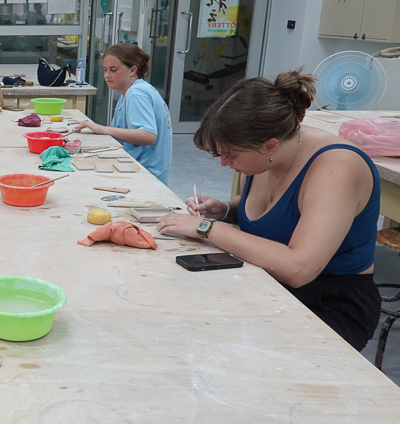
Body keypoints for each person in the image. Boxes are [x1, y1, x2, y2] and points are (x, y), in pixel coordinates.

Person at [155, 70, 381, 351]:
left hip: (328, 301)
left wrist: (207, 228)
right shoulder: (265, 156)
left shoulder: (336, 168)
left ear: (270, 146)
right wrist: (226, 210)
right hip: (266, 282)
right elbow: (274, 213)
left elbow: (298, 268)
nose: (224, 163)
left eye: (231, 155)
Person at [69, 44, 172, 184]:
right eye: (105, 70)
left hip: (145, 176)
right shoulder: (134, 90)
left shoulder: (136, 94)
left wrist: (102, 129)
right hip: (144, 171)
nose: (107, 75)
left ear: (132, 70)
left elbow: (148, 136)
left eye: (113, 70)